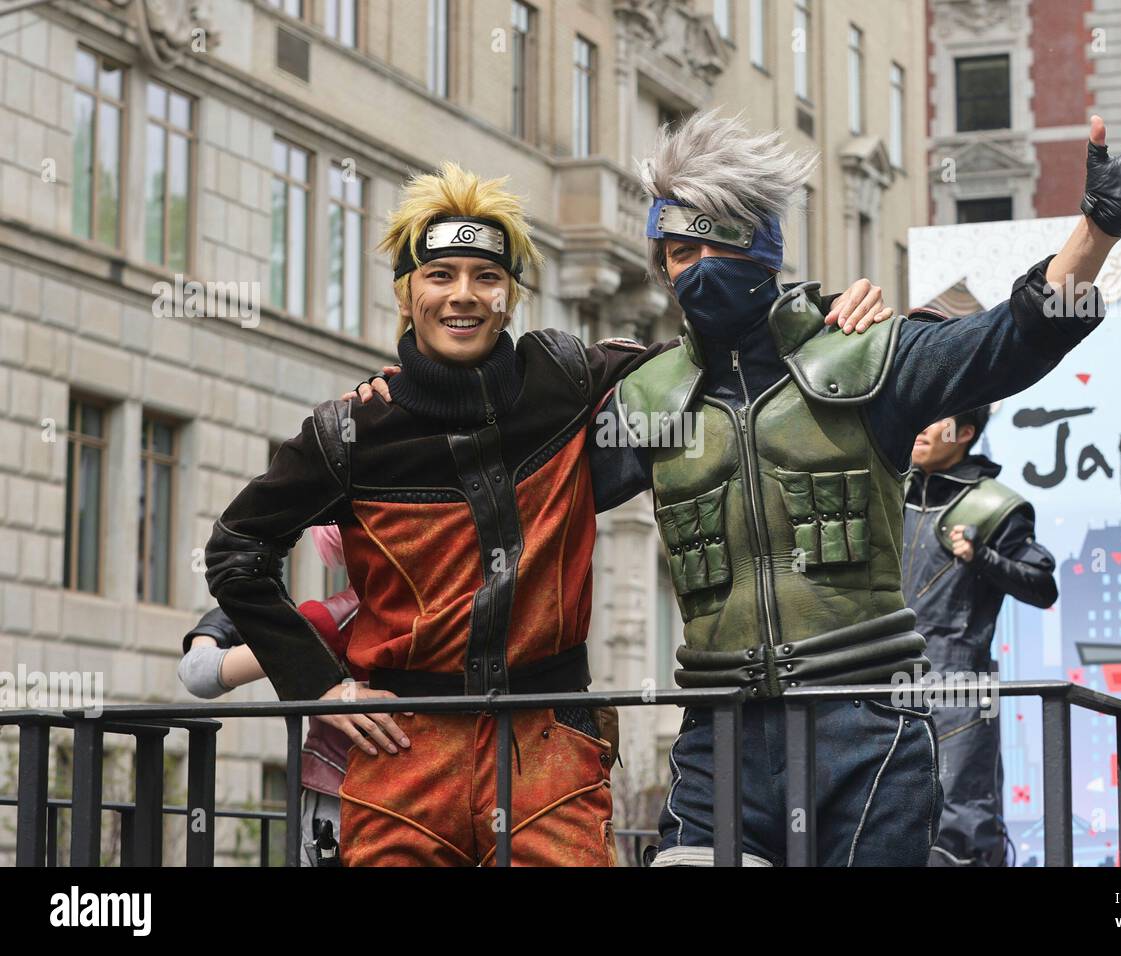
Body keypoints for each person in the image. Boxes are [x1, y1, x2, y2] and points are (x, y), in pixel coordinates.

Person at [207, 159, 891, 867]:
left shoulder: (564, 377)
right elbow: (236, 554)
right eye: (440, 276)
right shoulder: (350, 429)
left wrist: (834, 311)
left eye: (487, 277)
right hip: (403, 751)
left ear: (511, 297)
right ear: (406, 295)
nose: (463, 296)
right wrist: (320, 686)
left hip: (550, 749)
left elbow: (713, 353)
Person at [585, 105, 1121, 866]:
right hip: (720, 735)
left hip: (866, 729)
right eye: (679, 249)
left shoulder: (868, 361)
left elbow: (1017, 337)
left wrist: (1098, 230)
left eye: (720, 238)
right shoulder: (650, 402)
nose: (699, 264)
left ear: (764, 245)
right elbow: (515, 503)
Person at [901, 406, 1057, 866]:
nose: (922, 427)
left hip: (959, 682)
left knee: (959, 820)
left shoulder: (993, 506)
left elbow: (1043, 586)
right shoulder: (892, 490)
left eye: (935, 419)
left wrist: (982, 557)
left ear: (965, 432)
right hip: (883, 676)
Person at [180, 526, 364, 866]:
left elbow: (199, 673)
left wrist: (216, 624)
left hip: (342, 806)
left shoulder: (333, 620)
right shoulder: (457, 613)